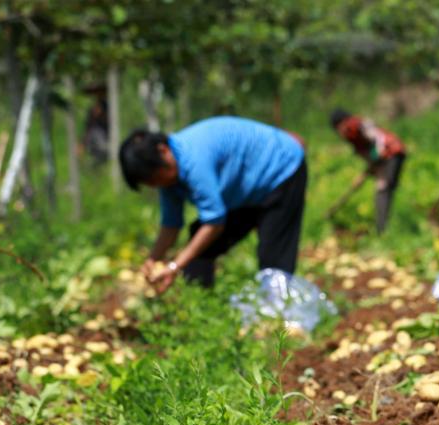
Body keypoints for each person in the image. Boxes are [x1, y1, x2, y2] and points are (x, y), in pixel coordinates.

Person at [118, 116, 307, 293]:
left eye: (153, 178)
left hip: (281, 170)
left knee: (273, 257)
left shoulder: (194, 160)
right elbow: (170, 225)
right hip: (248, 188)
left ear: (163, 151)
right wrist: (153, 259)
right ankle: (200, 303)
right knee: (200, 244)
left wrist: (175, 266)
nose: (155, 186)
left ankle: (277, 315)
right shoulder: (169, 179)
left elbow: (214, 222)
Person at [330, 109, 406, 234]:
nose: (339, 133)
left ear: (341, 123)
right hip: (387, 156)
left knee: (384, 189)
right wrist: (371, 167)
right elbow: (367, 153)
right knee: (383, 189)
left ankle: (383, 230)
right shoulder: (352, 137)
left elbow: (378, 140)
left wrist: (376, 160)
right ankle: (383, 229)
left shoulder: (355, 125)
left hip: (392, 153)